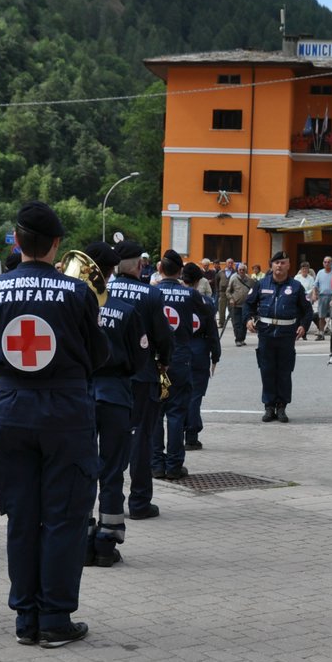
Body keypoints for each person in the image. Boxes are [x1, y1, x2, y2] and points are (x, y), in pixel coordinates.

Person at [0, 201, 107, 648]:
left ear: (17, 242)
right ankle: (55, 619)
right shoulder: (78, 293)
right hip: (66, 410)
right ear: (56, 244)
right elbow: (98, 354)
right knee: (64, 516)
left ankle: (26, 617)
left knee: (22, 516)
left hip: (13, 409)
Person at [85, 242, 147, 567]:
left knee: (79, 468)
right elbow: (138, 360)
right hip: (115, 397)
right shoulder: (125, 309)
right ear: (112, 271)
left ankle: (81, 541)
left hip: (79, 396)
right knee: (112, 470)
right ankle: (107, 544)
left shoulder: (70, 305)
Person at [106, 239, 172, 523]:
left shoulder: (103, 291)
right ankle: (140, 502)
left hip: (107, 377)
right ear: (140, 265)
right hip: (143, 375)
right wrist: (165, 361)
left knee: (109, 440)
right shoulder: (151, 294)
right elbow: (163, 337)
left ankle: (110, 500)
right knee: (142, 437)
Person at [150, 251, 201, 479]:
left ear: (160, 268)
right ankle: (174, 466)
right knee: (176, 413)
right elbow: (206, 319)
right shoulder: (190, 294)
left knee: (155, 413)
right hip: (179, 359)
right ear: (180, 271)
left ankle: (156, 465)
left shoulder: (150, 293)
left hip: (155, 361)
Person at [245, 251, 312, 422]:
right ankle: (269, 407)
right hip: (266, 334)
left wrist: (303, 326)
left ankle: (282, 406)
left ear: (289, 265)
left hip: (286, 335)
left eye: (283, 263)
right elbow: (248, 304)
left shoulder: (296, 287)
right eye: (277, 263)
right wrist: (248, 320)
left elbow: (307, 310)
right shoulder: (261, 284)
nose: (279, 266)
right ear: (271, 265)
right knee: (267, 370)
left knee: (284, 371)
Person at [180, 262, 221, 451]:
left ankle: (176, 432)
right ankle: (192, 435)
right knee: (195, 395)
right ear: (198, 281)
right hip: (199, 351)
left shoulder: (172, 298)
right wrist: (215, 355)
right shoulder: (207, 302)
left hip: (178, 349)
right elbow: (212, 331)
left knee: (177, 395)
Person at [225, 262, 254, 347]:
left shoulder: (250, 280)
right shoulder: (233, 278)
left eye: (243, 270)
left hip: (245, 305)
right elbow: (228, 291)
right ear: (237, 270)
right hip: (235, 304)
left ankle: (242, 339)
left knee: (244, 323)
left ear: (245, 270)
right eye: (240, 270)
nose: (241, 271)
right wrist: (231, 299)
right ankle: (238, 339)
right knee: (237, 323)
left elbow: (253, 291)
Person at [313, 256, 332, 342]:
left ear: (331, 263)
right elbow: (315, 285)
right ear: (323, 263)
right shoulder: (320, 272)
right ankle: (321, 334)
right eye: (325, 262)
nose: (327, 263)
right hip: (322, 296)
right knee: (321, 316)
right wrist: (314, 294)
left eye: (328, 262)